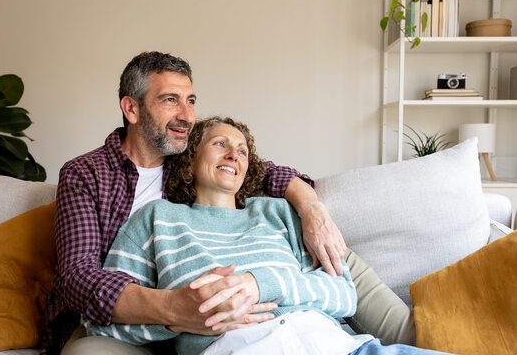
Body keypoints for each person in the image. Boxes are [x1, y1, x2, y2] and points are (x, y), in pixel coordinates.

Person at [42, 51, 347, 354]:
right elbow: (78, 277)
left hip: (202, 325)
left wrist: (311, 208)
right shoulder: (85, 174)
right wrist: (175, 310)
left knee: (332, 251)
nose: (187, 116)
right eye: (170, 100)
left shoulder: (189, 161)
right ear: (132, 109)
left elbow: (263, 171)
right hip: (124, 319)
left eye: (190, 101)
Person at [83, 117, 451, 355]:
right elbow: (101, 319)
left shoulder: (275, 213)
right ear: (191, 158)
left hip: (342, 347)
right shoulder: (157, 221)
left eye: (242, 150)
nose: (234, 154)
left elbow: (344, 293)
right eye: (220, 144)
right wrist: (175, 319)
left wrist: (265, 284)